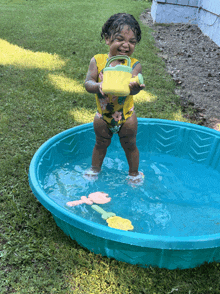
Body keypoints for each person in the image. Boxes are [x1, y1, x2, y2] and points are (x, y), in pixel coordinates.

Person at [84, 13, 145, 181]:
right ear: (107, 39)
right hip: (102, 116)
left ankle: (133, 173)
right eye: (120, 39)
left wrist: (135, 88)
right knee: (100, 143)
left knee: (130, 145)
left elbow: (131, 91)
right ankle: (95, 169)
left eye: (132, 42)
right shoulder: (98, 61)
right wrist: (98, 86)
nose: (126, 45)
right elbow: (88, 83)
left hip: (126, 116)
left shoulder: (134, 64)